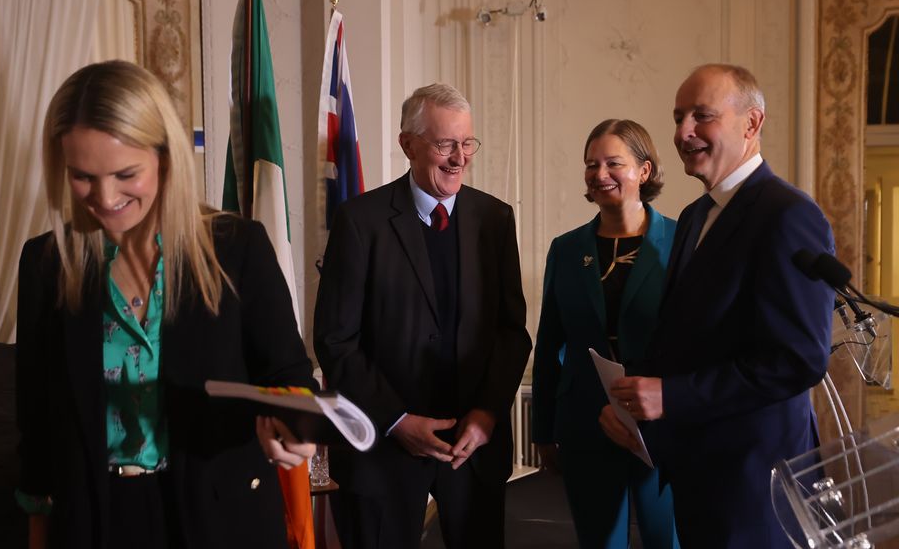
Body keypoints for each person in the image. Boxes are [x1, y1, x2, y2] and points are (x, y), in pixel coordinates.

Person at [15, 60, 317, 549]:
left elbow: (289, 374)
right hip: (92, 519)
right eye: (82, 177)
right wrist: (36, 523)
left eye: (125, 174)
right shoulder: (46, 262)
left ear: (166, 158)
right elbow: (36, 415)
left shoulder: (237, 248)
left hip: (222, 520)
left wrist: (293, 428)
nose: (105, 197)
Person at [600, 64, 836, 547]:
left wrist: (672, 398)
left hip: (758, 486)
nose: (683, 132)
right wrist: (633, 409)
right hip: (700, 475)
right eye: (678, 116)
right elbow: (685, 338)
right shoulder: (694, 216)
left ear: (752, 124)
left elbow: (799, 359)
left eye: (701, 116)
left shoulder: (789, 215)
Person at [313, 83, 532, 549]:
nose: (458, 158)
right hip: (381, 449)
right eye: (444, 144)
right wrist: (395, 420)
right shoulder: (360, 221)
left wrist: (488, 413)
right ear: (408, 144)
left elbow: (511, 333)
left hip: (471, 449)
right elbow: (336, 340)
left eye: (466, 143)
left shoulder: (494, 219)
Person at [532, 119, 680, 548]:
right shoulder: (566, 248)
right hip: (586, 422)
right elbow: (549, 344)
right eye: (591, 164)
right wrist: (544, 429)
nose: (600, 175)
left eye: (614, 163)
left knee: (666, 539)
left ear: (644, 171)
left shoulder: (680, 240)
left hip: (661, 422)